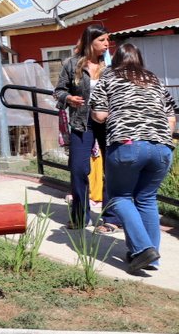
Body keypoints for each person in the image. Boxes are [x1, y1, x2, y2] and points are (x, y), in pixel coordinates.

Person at [90, 43, 176, 273]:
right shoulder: (153, 79)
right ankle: (152, 259)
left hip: (127, 144)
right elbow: (171, 117)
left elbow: (99, 115)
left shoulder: (109, 77)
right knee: (147, 198)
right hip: (162, 147)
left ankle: (143, 249)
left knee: (120, 197)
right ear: (139, 59)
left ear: (115, 59)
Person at [54, 24, 122, 232]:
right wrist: (69, 98)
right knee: (78, 169)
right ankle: (80, 216)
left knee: (112, 168)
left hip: (108, 123)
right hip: (81, 123)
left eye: (108, 40)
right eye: (102, 40)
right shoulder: (72, 64)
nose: (106, 44)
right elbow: (58, 91)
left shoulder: (111, 66)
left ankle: (110, 218)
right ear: (90, 41)